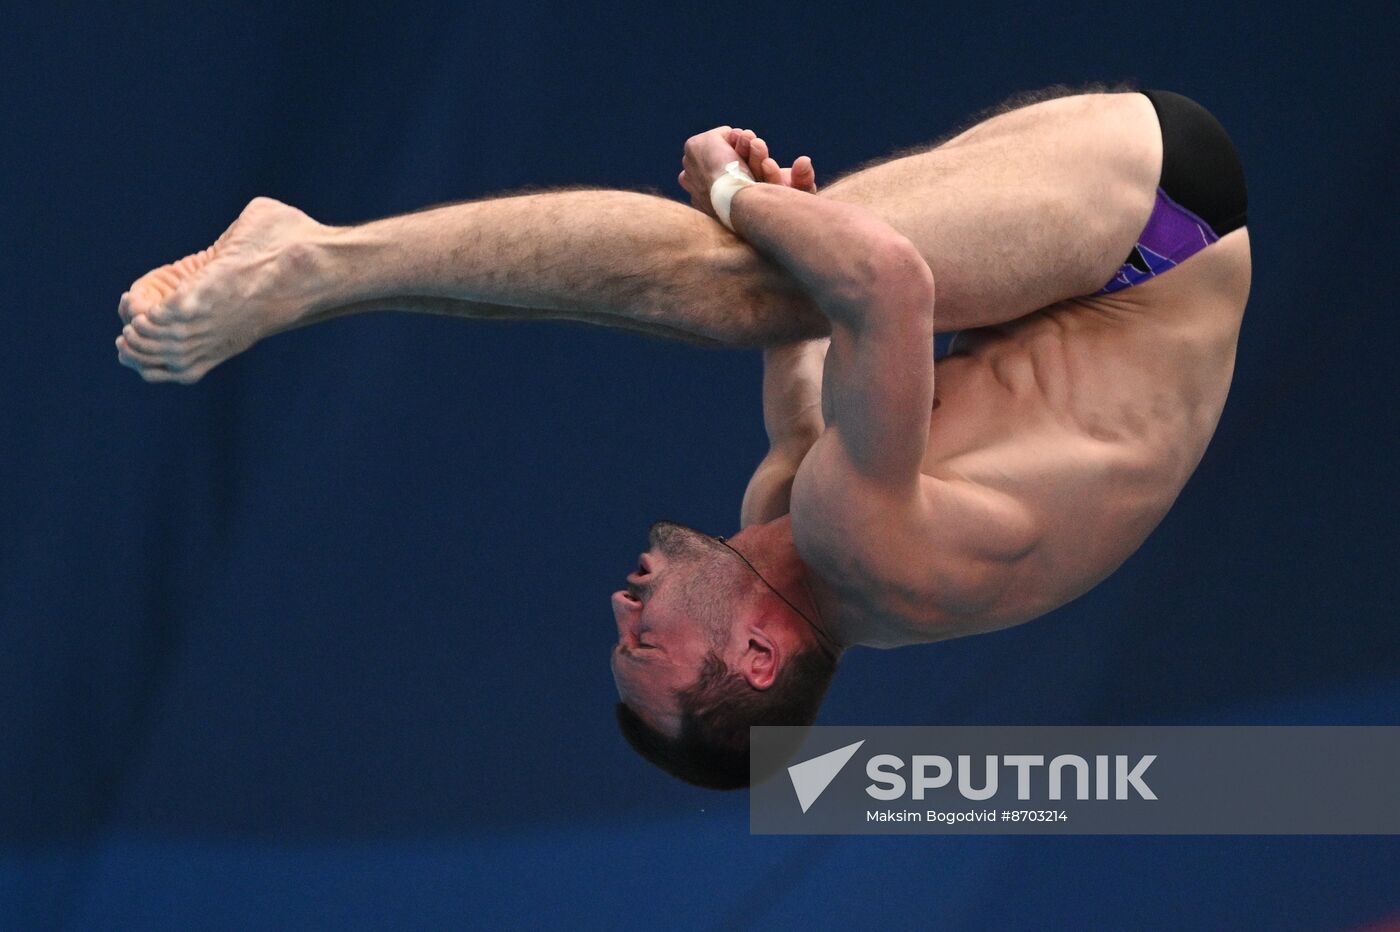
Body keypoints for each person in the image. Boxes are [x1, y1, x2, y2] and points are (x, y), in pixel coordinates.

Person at [114, 84, 1250, 790]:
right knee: (741, 279)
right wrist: (732, 197)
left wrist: (770, 211)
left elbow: (814, 340)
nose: (620, 607)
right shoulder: (866, 546)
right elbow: (887, 283)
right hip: (1152, 236)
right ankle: (311, 258)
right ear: (757, 658)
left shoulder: (787, 516)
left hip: (1105, 256)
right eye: (645, 643)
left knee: (762, 286)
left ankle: (333, 278)